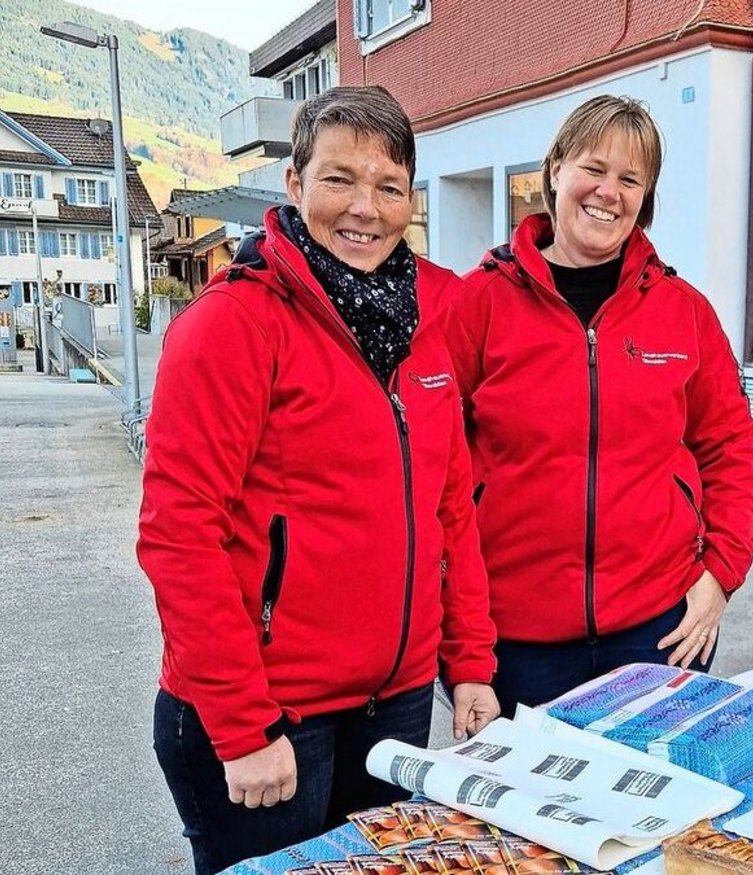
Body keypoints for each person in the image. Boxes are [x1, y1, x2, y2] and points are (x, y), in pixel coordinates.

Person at [137, 86, 499, 875]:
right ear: (295, 184)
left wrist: (470, 661)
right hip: (272, 716)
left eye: (389, 186)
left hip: (393, 704)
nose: (365, 208)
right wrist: (243, 725)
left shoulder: (428, 326)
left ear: (411, 200)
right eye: (340, 179)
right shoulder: (234, 324)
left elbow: (450, 514)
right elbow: (179, 535)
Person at [439, 95, 753, 716]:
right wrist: (460, 631)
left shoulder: (684, 312)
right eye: (593, 168)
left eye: (630, 179)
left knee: (651, 782)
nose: (608, 192)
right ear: (556, 169)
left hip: (659, 630)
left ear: (645, 198)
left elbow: (729, 446)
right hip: (515, 639)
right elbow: (433, 463)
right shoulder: (478, 304)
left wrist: (719, 574)